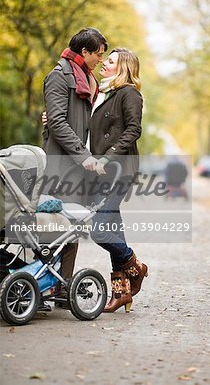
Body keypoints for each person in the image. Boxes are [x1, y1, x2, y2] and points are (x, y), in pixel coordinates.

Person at [42, 28, 108, 307]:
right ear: (85, 52)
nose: (100, 60)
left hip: (79, 166)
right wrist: (84, 156)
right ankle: (43, 287)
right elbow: (57, 122)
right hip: (62, 165)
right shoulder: (59, 77)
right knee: (53, 227)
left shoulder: (87, 78)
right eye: (98, 54)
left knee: (72, 228)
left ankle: (60, 288)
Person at [89, 47, 148, 313]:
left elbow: (134, 129)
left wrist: (108, 157)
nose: (104, 63)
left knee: (99, 230)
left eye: (110, 61)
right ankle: (121, 293)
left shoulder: (129, 94)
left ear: (122, 67)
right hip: (101, 171)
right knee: (112, 227)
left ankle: (135, 266)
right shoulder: (107, 93)